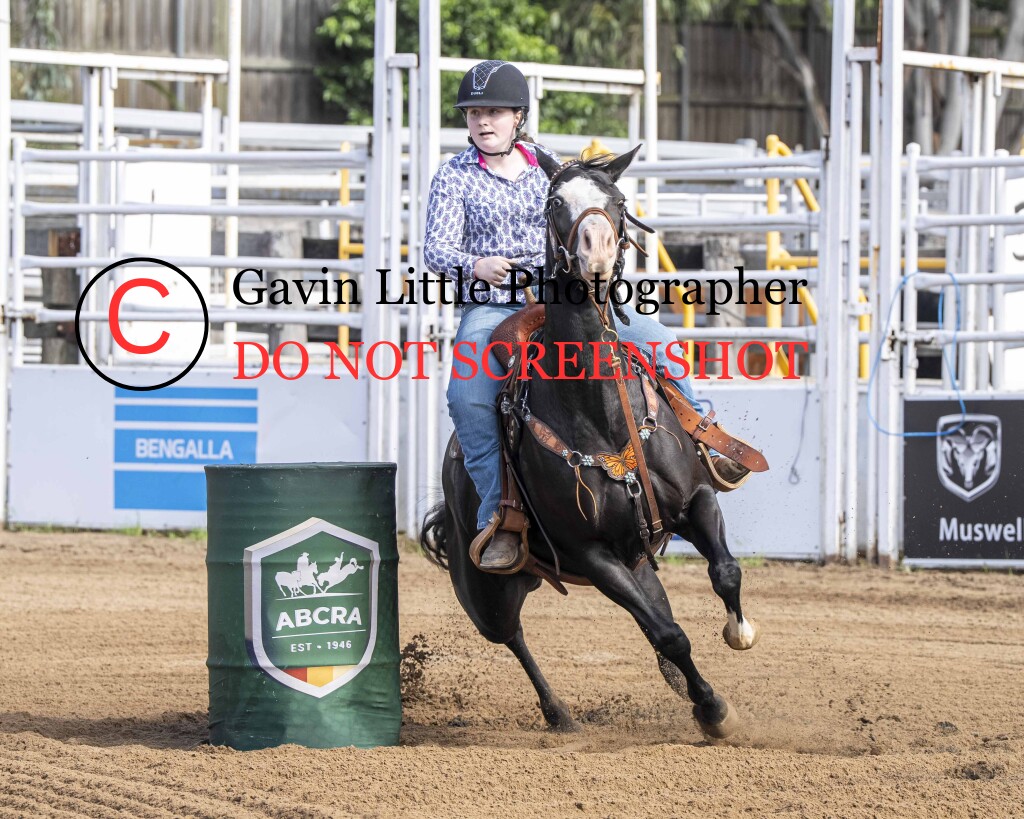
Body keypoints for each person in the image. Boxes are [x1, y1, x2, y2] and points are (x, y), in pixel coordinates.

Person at [424, 60, 750, 572]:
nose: (483, 121)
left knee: (661, 342)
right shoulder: (453, 175)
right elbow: (436, 250)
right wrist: (476, 264)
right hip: (493, 305)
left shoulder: (550, 169)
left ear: (517, 117)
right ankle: (498, 514)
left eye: (495, 112)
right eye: (474, 113)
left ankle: (706, 442)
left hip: (567, 297)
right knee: (466, 396)